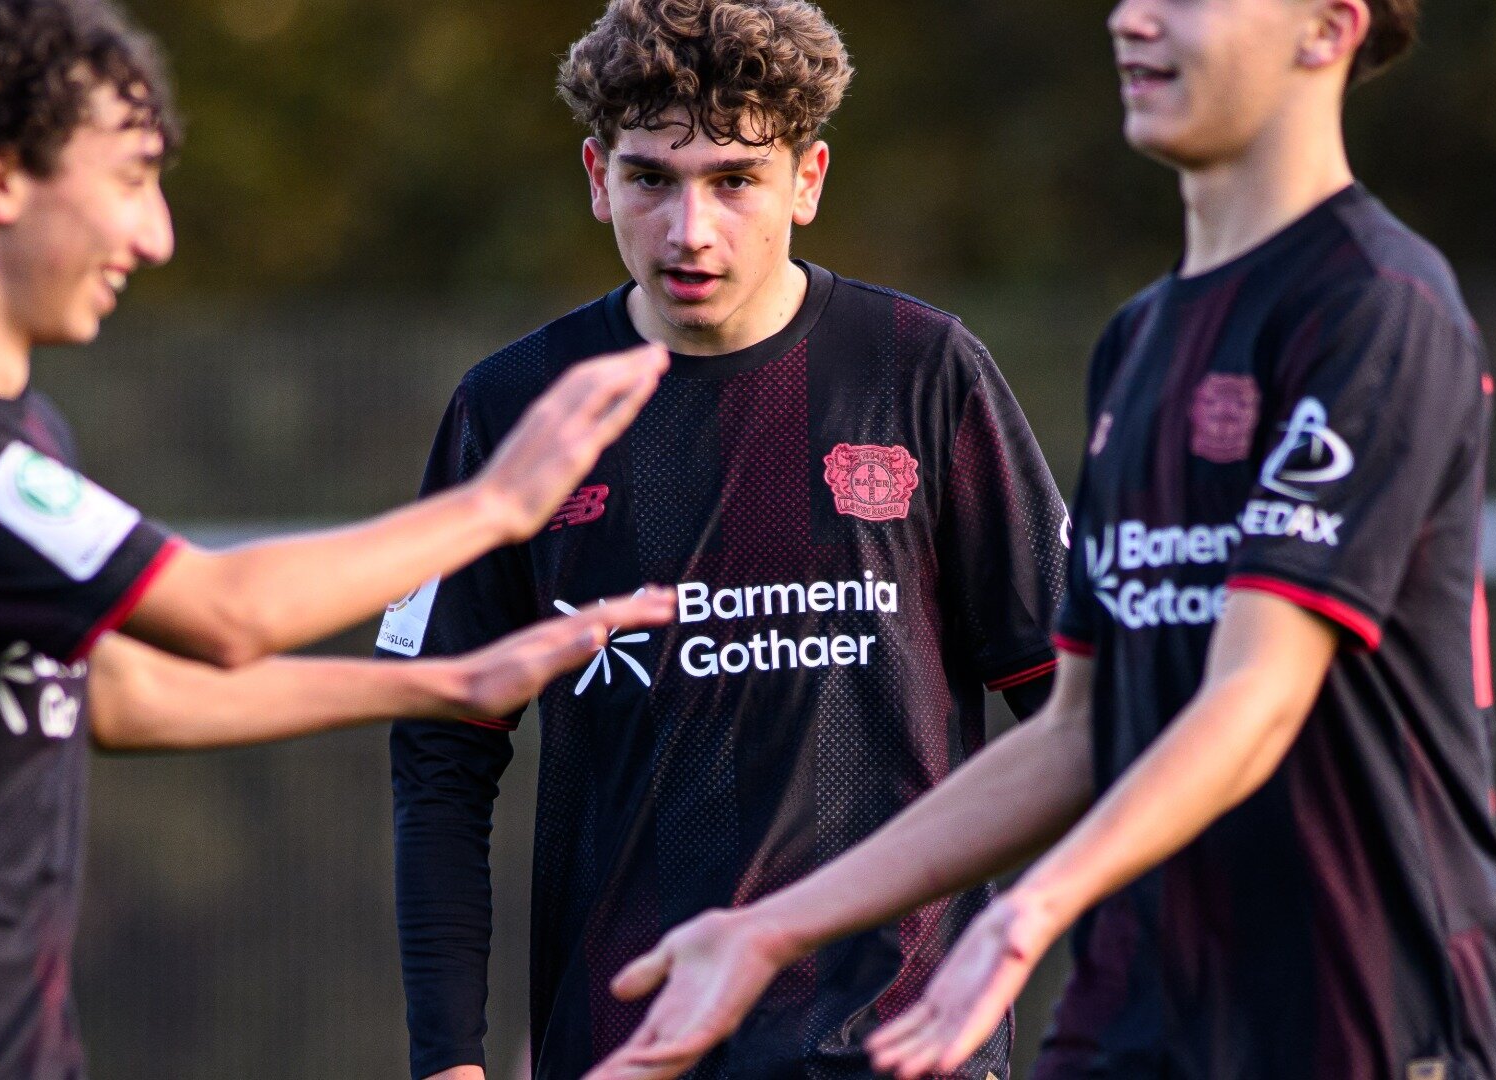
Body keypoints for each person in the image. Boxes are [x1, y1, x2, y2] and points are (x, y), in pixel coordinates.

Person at [0, 1, 674, 1076]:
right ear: (0, 177)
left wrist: (446, 686)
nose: (155, 235)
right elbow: (223, 612)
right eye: (129, 178)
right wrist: (491, 506)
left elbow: (118, 693)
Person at [586, 1, 1496, 1078]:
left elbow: (1258, 697)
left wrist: (1035, 901)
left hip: (1356, 1005)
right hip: (1144, 1006)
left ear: (1328, 29)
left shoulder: (1375, 306)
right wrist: (771, 929)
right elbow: (1080, 728)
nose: (1131, 16)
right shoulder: (1143, 337)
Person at [383, 2, 1068, 1078]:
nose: (690, 229)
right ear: (597, 178)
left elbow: (1078, 713)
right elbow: (437, 754)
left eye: (736, 179)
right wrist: (447, 1061)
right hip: (628, 1051)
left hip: (903, 1051)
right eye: (653, 178)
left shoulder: (923, 372)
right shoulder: (514, 406)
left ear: (809, 179)